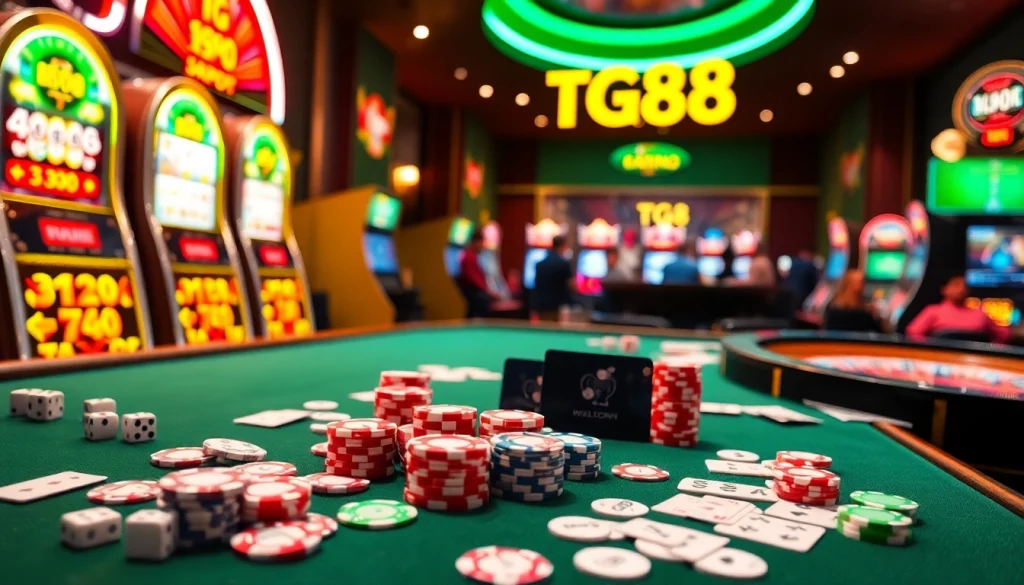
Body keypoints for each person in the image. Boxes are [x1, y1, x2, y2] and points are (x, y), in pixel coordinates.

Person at [905, 275, 1010, 342]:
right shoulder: (933, 311)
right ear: (944, 289)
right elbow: (912, 333)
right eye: (956, 285)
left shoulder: (980, 314)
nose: (961, 289)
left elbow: (1004, 334)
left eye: (965, 286)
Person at [532, 235, 575, 321]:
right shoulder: (563, 264)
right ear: (563, 246)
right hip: (557, 307)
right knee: (555, 330)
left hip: (540, 305)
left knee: (543, 330)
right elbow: (571, 285)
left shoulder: (540, 264)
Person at [457, 230, 495, 318]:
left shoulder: (471, 256)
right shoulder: (469, 258)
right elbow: (475, 281)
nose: (483, 246)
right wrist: (490, 293)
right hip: (473, 295)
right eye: (482, 243)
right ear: (475, 242)